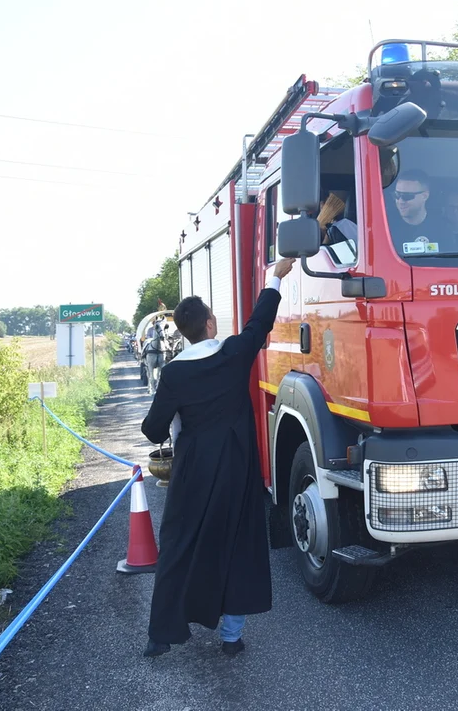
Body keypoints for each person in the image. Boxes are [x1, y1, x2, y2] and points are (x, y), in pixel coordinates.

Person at [140, 256, 295, 658]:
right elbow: (260, 322)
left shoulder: (173, 374)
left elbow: (153, 429)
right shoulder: (232, 354)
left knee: (179, 546)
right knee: (237, 544)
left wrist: (175, 414)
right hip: (235, 468)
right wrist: (274, 277)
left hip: (192, 473)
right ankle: (231, 638)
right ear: (210, 325)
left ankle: (161, 636)